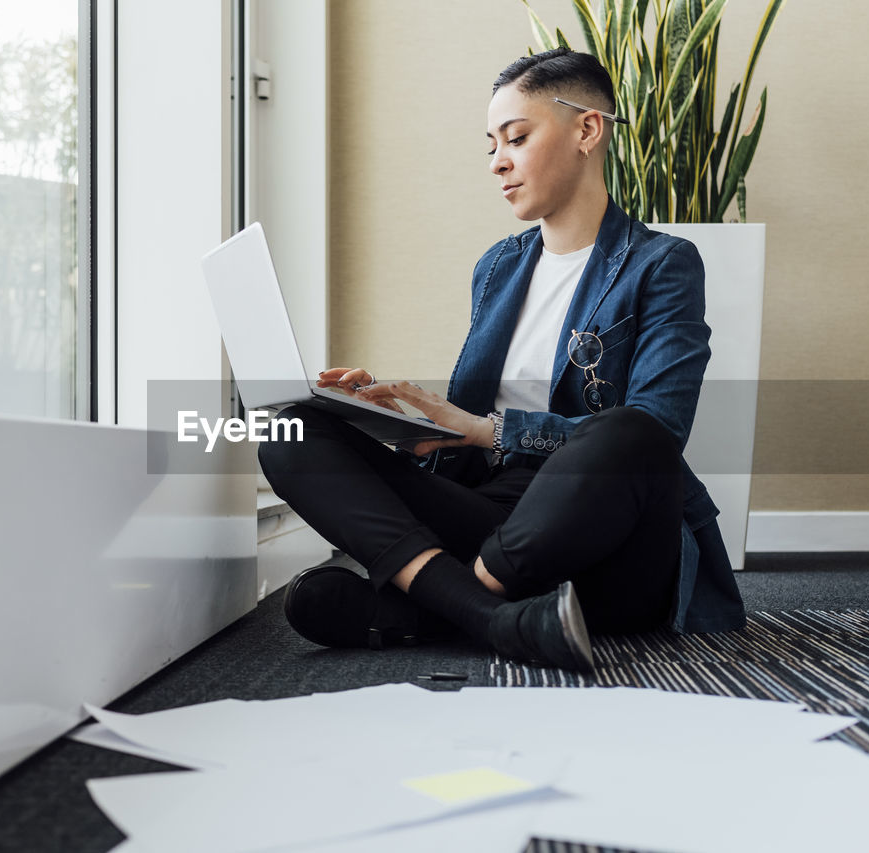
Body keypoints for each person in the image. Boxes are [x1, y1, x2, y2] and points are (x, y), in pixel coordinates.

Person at [258, 48, 746, 672]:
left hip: (604, 526)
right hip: (493, 509)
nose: (498, 163)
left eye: (515, 138)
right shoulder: (499, 267)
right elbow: (468, 425)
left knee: (629, 431)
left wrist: (487, 429)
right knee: (288, 428)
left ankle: (443, 606)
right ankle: (501, 619)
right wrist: (386, 415)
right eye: (491, 145)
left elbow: (660, 429)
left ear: (587, 131)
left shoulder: (662, 263)